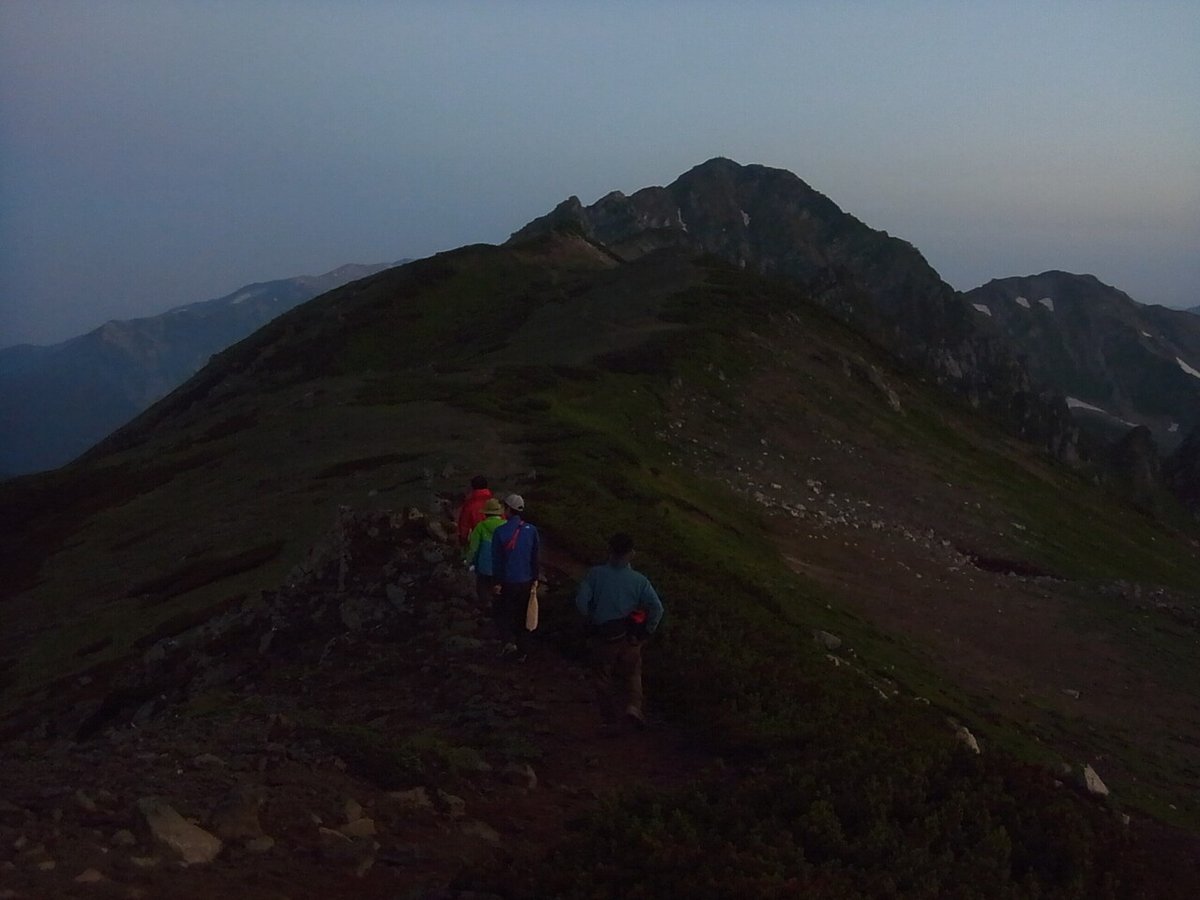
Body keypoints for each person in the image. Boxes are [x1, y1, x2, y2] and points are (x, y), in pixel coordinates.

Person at [575, 533, 664, 730]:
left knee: (602, 677)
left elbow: (581, 602)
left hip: (603, 637)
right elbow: (657, 608)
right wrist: (646, 633)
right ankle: (633, 707)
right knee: (633, 673)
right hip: (630, 637)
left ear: (610, 550)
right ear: (631, 554)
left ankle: (610, 720)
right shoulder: (640, 581)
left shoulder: (595, 574)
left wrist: (590, 620)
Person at [490, 494, 540, 659]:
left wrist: (496, 582)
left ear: (508, 510)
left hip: (508, 581)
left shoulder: (500, 532)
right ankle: (523, 650)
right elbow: (535, 557)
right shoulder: (531, 530)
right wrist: (535, 578)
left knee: (505, 613)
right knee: (524, 616)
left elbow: (497, 561)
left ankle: (509, 643)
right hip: (526, 581)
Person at [464, 498, 506, 608]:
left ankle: (485, 606)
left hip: (484, 567)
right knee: (499, 588)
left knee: (482, 588)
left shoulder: (480, 527)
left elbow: (473, 548)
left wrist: (468, 562)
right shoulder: (506, 526)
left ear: (486, 514)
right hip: (501, 567)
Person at [457, 475, 493, 546]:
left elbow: (464, 527)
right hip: (495, 545)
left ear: (472, 488)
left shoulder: (469, 505)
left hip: (476, 544)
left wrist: (463, 544)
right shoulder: (495, 503)